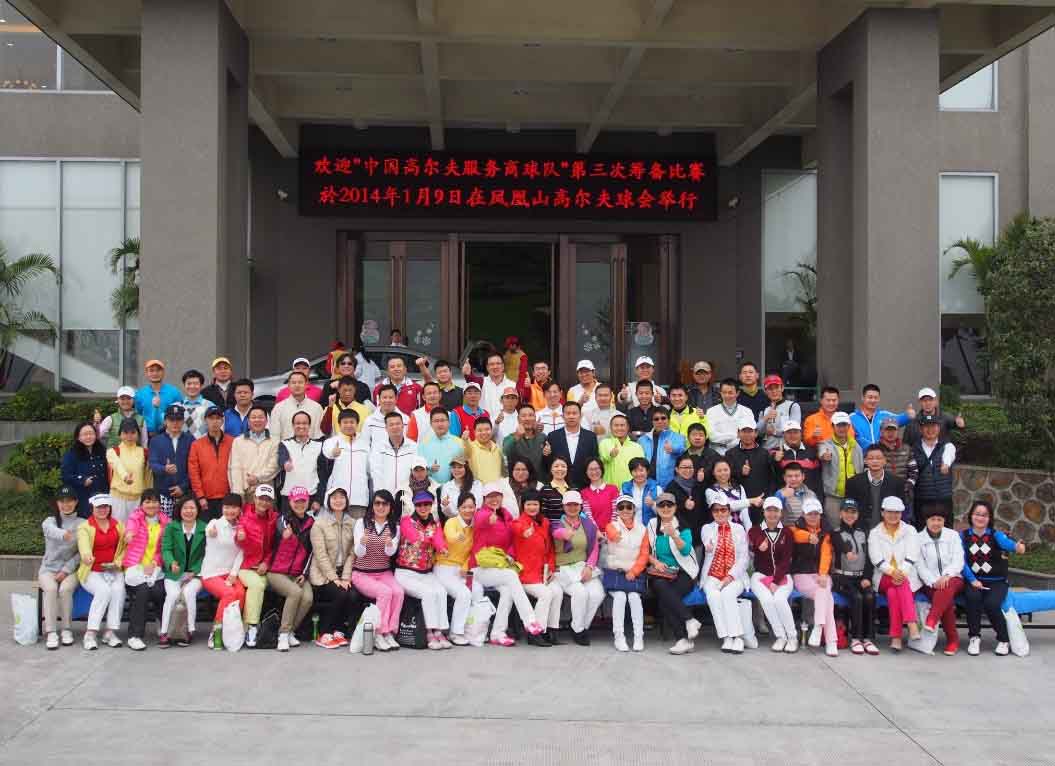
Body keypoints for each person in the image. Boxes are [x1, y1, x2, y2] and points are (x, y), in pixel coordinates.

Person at [470, 483, 545, 646]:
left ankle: (497, 633)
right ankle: (530, 621)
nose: (494, 499)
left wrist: (511, 554)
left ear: (502, 497)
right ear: (484, 499)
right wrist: (488, 519)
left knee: (508, 592)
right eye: (490, 497)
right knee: (511, 576)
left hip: (499, 568)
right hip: (480, 568)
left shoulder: (506, 514)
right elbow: (480, 521)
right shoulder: (481, 513)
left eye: (497, 496)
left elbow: (512, 538)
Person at [961, 499, 1025, 656]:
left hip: (997, 582)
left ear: (989, 518)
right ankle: (974, 637)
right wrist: (972, 580)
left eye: (984, 515)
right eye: (977, 514)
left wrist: (1018, 547)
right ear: (971, 515)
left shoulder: (997, 535)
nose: (980, 518)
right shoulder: (962, 536)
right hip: (973, 580)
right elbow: (960, 562)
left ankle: (1003, 640)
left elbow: (1011, 545)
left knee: (992, 604)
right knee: (972, 598)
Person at [394, 491, 455, 650]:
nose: (423, 507)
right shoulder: (406, 521)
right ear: (415, 506)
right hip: (406, 573)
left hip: (426, 573)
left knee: (441, 591)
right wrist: (433, 541)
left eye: (426, 504)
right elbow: (414, 537)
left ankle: (440, 631)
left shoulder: (435, 524)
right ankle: (429, 632)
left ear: (431, 505)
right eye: (419, 505)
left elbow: (439, 539)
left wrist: (442, 547)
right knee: (428, 593)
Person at [646, 492, 699, 655]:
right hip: (661, 572)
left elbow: (685, 551)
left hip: (683, 571)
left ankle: (682, 639)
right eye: (662, 505)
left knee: (665, 601)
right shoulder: (652, 524)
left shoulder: (682, 525)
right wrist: (655, 562)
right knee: (660, 585)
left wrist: (674, 535)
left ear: (675, 507)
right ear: (657, 508)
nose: (666, 508)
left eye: (669, 505)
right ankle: (689, 620)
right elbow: (645, 551)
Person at [351, 490, 404, 651]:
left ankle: (390, 632)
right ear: (372, 505)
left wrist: (389, 545)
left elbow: (390, 553)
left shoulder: (394, 527)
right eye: (377, 503)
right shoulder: (362, 523)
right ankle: (378, 632)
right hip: (362, 573)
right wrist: (362, 543)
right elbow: (359, 553)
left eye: (385, 504)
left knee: (398, 592)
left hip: (383, 572)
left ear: (390, 507)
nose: (381, 507)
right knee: (385, 592)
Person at [551, 490, 605, 645]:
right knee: (580, 593)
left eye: (575, 504)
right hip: (563, 568)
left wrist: (589, 566)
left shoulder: (588, 524)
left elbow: (594, 548)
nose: (572, 508)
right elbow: (556, 533)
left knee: (597, 594)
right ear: (563, 506)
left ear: (580, 506)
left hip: (582, 566)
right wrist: (565, 533)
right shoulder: (556, 523)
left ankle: (580, 626)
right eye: (569, 505)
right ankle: (579, 631)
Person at [868, 496, 922, 652]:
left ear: (901, 513)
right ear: (882, 513)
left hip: (906, 574)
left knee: (893, 593)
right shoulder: (875, 533)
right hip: (883, 576)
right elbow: (876, 559)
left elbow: (913, 554)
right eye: (889, 512)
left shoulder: (910, 530)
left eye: (897, 512)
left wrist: (901, 572)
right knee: (900, 584)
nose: (893, 515)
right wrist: (893, 572)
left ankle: (896, 637)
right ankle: (911, 623)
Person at [308, 487, 359, 649]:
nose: (338, 500)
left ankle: (339, 630)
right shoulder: (319, 524)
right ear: (328, 501)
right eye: (334, 497)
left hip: (343, 572)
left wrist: (345, 577)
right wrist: (334, 578)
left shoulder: (352, 523)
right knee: (340, 593)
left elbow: (352, 553)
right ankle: (324, 633)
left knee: (353, 594)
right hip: (323, 575)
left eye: (341, 497)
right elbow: (320, 555)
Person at [119, 489, 170, 650]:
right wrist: (129, 535)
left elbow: (164, 549)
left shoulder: (166, 522)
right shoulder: (135, 518)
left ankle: (163, 626)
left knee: (160, 590)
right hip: (135, 566)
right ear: (141, 504)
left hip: (155, 568)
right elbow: (131, 529)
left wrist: (154, 563)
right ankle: (134, 635)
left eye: (154, 501)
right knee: (142, 591)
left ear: (159, 504)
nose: (151, 505)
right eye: (147, 501)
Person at [266, 486, 315, 652]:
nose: (300, 504)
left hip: (297, 573)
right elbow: (282, 527)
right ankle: (283, 633)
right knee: (295, 592)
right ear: (290, 502)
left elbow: (311, 552)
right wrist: (285, 534)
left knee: (307, 598)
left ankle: (290, 631)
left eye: (303, 501)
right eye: (296, 501)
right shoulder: (283, 518)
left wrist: (304, 573)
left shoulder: (311, 523)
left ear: (308, 502)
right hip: (276, 572)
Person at [789, 497, 839, 657]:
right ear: (803, 514)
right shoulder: (796, 528)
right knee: (826, 597)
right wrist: (808, 536)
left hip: (820, 573)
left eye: (816, 513)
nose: (812, 516)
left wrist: (823, 574)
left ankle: (819, 627)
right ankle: (831, 640)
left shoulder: (826, 531)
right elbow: (793, 534)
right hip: (801, 573)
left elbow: (826, 554)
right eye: (809, 513)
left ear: (820, 514)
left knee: (824, 593)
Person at [512, 489, 562, 647]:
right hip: (525, 575)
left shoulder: (545, 522)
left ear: (540, 505)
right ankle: (534, 632)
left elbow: (550, 549)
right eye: (529, 504)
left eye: (535, 504)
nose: (532, 507)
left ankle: (550, 631)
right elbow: (518, 530)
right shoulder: (518, 523)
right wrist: (525, 532)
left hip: (543, 573)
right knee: (546, 594)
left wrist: (551, 568)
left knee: (557, 591)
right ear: (523, 505)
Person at [76, 494, 127, 650]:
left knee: (119, 591)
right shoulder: (85, 527)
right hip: (91, 571)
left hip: (113, 570)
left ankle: (110, 632)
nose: (102, 510)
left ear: (109, 508)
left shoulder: (118, 525)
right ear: (93, 508)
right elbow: (83, 545)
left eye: (105, 507)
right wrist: (86, 556)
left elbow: (125, 548)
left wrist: (117, 563)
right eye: (99, 507)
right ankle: (90, 633)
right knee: (104, 591)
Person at [700, 494, 750, 653]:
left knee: (727, 594)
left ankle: (738, 637)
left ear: (729, 511)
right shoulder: (707, 528)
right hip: (712, 575)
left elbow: (744, 558)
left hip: (735, 576)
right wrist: (709, 545)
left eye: (723, 510)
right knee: (713, 595)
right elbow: (707, 541)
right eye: (716, 510)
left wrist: (730, 576)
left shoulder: (739, 529)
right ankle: (726, 637)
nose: (720, 513)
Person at [748, 496, 798, 653]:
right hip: (760, 575)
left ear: (781, 513)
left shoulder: (787, 532)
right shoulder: (755, 530)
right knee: (767, 600)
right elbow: (753, 536)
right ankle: (780, 636)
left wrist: (776, 581)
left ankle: (792, 637)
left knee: (779, 600)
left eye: (775, 510)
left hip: (782, 576)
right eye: (769, 510)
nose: (772, 514)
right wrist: (759, 543)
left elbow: (786, 560)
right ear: (763, 512)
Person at [829, 498, 879, 655]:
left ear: (857, 515)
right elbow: (839, 543)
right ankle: (856, 638)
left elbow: (869, 558)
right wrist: (847, 551)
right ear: (840, 514)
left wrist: (867, 577)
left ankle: (868, 638)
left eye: (853, 512)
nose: (849, 515)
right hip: (842, 577)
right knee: (857, 597)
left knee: (869, 596)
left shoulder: (863, 533)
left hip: (860, 577)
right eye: (846, 512)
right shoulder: (836, 532)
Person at [39, 485, 84, 649]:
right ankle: (51, 631)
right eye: (62, 501)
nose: (66, 505)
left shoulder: (83, 524)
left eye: (70, 501)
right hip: (48, 569)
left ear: (76, 502)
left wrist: (66, 570)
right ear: (57, 503)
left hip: (71, 570)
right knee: (51, 589)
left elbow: (81, 553)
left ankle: (66, 629)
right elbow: (50, 530)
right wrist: (64, 534)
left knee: (65, 589)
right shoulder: (49, 521)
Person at [916, 502, 965, 656]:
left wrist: (947, 575)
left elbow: (959, 559)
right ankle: (953, 640)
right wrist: (933, 581)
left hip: (953, 578)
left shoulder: (953, 535)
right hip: (930, 582)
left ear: (944, 521)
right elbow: (920, 565)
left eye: (940, 519)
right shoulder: (918, 539)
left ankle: (932, 618)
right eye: (933, 519)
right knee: (946, 601)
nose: (936, 523)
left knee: (947, 588)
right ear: (926, 520)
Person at [200, 494, 247, 650]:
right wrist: (211, 532)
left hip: (229, 573)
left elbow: (242, 553)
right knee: (229, 593)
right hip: (211, 573)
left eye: (233, 507)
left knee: (240, 593)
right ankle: (216, 632)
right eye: (226, 507)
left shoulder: (241, 528)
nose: (229, 511)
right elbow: (209, 531)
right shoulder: (215, 523)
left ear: (239, 509)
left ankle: (231, 631)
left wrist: (233, 574)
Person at [603, 495, 649, 651]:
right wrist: (614, 534)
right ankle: (619, 637)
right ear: (617, 510)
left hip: (634, 573)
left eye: (629, 507)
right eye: (621, 507)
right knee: (620, 597)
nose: (625, 510)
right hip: (615, 572)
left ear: (634, 509)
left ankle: (638, 637)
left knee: (635, 598)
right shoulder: (612, 526)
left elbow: (644, 554)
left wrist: (634, 572)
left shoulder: (642, 529)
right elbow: (611, 533)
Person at [159, 495, 206, 648]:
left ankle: (189, 630)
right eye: (185, 508)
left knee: (188, 593)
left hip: (195, 574)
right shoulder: (171, 527)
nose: (188, 511)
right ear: (179, 510)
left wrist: (195, 571)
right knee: (172, 595)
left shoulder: (204, 528)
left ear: (197, 510)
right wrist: (171, 562)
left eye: (192, 508)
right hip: (174, 573)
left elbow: (207, 554)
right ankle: (164, 632)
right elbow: (166, 549)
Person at [236, 484, 279, 648]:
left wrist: (266, 562)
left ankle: (251, 625)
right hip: (244, 566)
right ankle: (251, 626)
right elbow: (240, 544)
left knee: (262, 583)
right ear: (254, 498)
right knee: (257, 584)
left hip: (264, 567)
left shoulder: (274, 518)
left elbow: (274, 546)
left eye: (267, 500)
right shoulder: (244, 516)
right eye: (261, 498)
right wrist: (241, 538)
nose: (264, 502)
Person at [433, 491, 477, 646]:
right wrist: (459, 536)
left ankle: (474, 630)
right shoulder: (452, 522)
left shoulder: (474, 527)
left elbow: (471, 553)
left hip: (460, 569)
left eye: (471, 507)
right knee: (463, 594)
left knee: (477, 591)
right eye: (464, 507)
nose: (468, 510)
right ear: (458, 508)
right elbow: (450, 536)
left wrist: (465, 567)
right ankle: (456, 633)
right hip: (444, 567)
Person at [318, 409, 370, 516]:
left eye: (352, 422)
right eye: (345, 422)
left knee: (357, 526)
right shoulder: (331, 441)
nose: (349, 425)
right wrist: (333, 452)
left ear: (357, 424)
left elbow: (370, 469)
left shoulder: (365, 443)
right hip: (337, 499)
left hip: (359, 499)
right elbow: (327, 452)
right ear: (339, 424)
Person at [187, 406, 233, 520]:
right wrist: (200, 496)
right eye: (211, 418)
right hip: (206, 498)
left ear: (222, 421)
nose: (214, 422)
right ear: (205, 420)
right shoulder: (197, 445)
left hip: (227, 496)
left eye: (218, 418)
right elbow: (194, 473)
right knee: (207, 529)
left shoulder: (232, 442)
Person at [845, 444, 907, 528]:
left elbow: (902, 509)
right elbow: (849, 510)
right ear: (865, 461)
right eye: (871, 458)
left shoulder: (897, 482)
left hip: (888, 529)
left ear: (885, 461)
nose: (875, 461)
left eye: (878, 458)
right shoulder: (853, 482)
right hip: (861, 529)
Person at [911, 413, 956, 527]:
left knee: (946, 531)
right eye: (926, 426)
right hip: (922, 499)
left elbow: (949, 456)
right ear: (921, 429)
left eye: (933, 426)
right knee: (921, 530)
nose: (930, 430)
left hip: (943, 498)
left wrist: (945, 464)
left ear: (939, 428)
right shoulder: (914, 449)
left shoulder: (947, 446)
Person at [819, 411, 862, 528]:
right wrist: (824, 456)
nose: (842, 428)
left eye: (844, 425)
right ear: (833, 426)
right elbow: (822, 452)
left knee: (853, 527)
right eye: (839, 425)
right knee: (834, 529)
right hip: (833, 497)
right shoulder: (825, 444)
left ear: (849, 426)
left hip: (853, 496)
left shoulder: (856, 446)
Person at [228, 405, 279, 501]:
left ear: (266, 421)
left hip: (266, 492)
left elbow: (274, 466)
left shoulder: (275, 441)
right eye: (253, 417)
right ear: (248, 421)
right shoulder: (238, 441)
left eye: (260, 417)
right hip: (245, 492)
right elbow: (234, 468)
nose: (257, 420)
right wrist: (238, 493)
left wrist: (257, 478)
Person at [106, 417, 153, 523]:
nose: (129, 436)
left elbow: (148, 477)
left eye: (133, 432)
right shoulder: (113, 451)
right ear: (120, 434)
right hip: (118, 499)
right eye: (125, 433)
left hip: (138, 499)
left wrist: (149, 497)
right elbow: (117, 465)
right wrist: (125, 477)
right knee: (118, 528)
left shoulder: (144, 452)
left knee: (137, 529)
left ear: (138, 434)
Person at [148, 405, 194, 512]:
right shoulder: (156, 440)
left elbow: (194, 467)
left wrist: (183, 487)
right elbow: (152, 463)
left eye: (178, 420)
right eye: (171, 420)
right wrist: (164, 468)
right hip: (163, 493)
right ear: (165, 421)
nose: (175, 423)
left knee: (185, 521)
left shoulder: (190, 440)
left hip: (185, 493)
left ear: (183, 421)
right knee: (163, 522)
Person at [726, 423, 775, 523]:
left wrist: (767, 498)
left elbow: (772, 478)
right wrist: (741, 473)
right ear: (738, 433)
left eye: (750, 431)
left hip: (761, 502)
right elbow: (726, 479)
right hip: (739, 504)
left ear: (756, 433)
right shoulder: (730, 454)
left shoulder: (765, 453)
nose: (747, 434)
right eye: (744, 431)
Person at [276, 411, 324, 512]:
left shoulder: (319, 445)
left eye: (304, 423)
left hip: (311, 497)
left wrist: (318, 500)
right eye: (297, 423)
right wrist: (285, 463)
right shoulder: (285, 444)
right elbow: (282, 458)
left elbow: (323, 475)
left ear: (309, 425)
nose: (301, 426)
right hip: (289, 497)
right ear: (293, 425)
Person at [545, 401, 600, 488]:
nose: (571, 416)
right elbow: (549, 462)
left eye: (574, 413)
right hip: (560, 485)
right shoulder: (553, 436)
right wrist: (546, 454)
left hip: (585, 485)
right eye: (568, 413)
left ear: (580, 416)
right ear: (562, 416)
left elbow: (595, 460)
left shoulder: (591, 436)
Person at [61, 421, 109, 518]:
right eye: (84, 434)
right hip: (83, 497)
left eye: (91, 433)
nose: (88, 437)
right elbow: (66, 476)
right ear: (78, 437)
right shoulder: (71, 454)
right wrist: (82, 480)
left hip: (102, 495)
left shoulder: (102, 451)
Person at [849, 384, 915, 451]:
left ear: (879, 399)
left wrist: (908, 415)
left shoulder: (885, 415)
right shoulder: (852, 418)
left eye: (876, 398)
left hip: (882, 456)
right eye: (870, 397)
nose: (873, 400)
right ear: (863, 398)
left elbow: (900, 419)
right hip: (861, 457)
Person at [638, 407, 686, 489]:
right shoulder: (642, 440)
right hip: (646, 484)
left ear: (669, 420)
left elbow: (682, 451)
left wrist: (673, 449)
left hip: (669, 485)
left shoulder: (678, 438)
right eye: (656, 419)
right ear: (652, 421)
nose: (660, 421)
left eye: (663, 418)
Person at [771, 421, 822, 498]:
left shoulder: (812, 452)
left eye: (795, 432)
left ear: (801, 434)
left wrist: (819, 498)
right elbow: (771, 476)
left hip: (808, 498)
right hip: (784, 498)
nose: (792, 435)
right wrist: (774, 460)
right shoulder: (774, 452)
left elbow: (818, 479)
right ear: (783, 435)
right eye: (789, 433)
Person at [705, 378, 756, 455]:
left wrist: (728, 440)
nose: (727, 395)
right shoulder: (711, 411)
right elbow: (712, 436)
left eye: (730, 393)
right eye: (724, 392)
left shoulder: (746, 411)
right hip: (717, 453)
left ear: (737, 393)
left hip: (740, 453)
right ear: (720, 393)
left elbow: (749, 436)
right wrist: (733, 435)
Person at [270, 371, 324, 442]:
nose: (297, 385)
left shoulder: (317, 408)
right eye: (293, 383)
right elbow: (274, 436)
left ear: (306, 385)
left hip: (311, 448)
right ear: (288, 385)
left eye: (300, 382)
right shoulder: (278, 408)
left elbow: (318, 435)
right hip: (285, 448)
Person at [417, 407, 466, 486]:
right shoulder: (423, 444)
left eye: (443, 420)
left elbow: (465, 468)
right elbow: (418, 470)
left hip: (454, 488)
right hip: (430, 488)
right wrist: (429, 469)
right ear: (431, 424)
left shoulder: (459, 443)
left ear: (449, 422)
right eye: (436, 421)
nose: (440, 424)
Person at [709, 457, 761, 529]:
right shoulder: (710, 491)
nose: (723, 473)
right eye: (719, 471)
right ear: (713, 473)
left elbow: (745, 513)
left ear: (730, 470)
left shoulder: (739, 488)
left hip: (740, 531)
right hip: (722, 531)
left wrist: (749, 531)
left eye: (725, 470)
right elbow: (727, 506)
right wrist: (751, 501)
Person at [135, 359, 182, 436]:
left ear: (163, 372)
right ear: (146, 373)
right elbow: (138, 415)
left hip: (169, 434)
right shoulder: (140, 394)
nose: (155, 373)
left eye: (158, 370)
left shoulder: (174, 392)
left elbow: (180, 414)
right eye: (151, 370)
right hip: (147, 435)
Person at [666, 454, 706, 547]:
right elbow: (666, 509)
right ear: (677, 469)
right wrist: (683, 504)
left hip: (699, 535)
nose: (688, 470)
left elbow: (704, 506)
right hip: (680, 534)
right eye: (684, 467)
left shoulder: (698, 484)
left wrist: (701, 483)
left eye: (690, 467)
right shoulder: (671, 487)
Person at [463, 352, 517, 418]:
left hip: (507, 423)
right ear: (487, 367)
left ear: (503, 366)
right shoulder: (481, 382)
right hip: (484, 422)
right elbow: (471, 381)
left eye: (498, 363)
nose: (495, 367)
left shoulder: (513, 385)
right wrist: (467, 374)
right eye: (491, 364)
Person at [877, 417, 918, 501]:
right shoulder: (874, 449)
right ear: (881, 431)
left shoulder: (907, 449)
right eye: (887, 430)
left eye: (893, 430)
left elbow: (914, 472)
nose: (890, 433)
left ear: (898, 431)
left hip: (904, 495)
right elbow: (868, 471)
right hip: (882, 495)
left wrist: (906, 487)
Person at [503, 403, 547, 481]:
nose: (527, 418)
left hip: (540, 483)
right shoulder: (510, 438)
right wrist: (517, 436)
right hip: (518, 483)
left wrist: (548, 452)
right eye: (523, 416)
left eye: (531, 415)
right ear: (518, 419)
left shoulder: (542, 437)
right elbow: (506, 451)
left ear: (535, 418)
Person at [599, 414, 645, 487]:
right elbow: (605, 457)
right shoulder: (604, 443)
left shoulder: (637, 446)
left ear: (628, 427)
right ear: (610, 428)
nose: (619, 428)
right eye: (616, 425)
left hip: (631, 489)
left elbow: (642, 468)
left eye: (622, 425)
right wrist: (611, 454)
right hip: (610, 489)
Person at [757, 375, 801, 450]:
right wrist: (766, 418)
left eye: (777, 387)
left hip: (786, 449)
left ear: (782, 388)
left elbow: (794, 431)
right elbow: (756, 432)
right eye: (770, 389)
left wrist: (774, 432)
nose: (774, 391)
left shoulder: (793, 406)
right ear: (766, 391)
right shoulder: (764, 409)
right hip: (767, 450)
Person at [362, 384, 409, 451]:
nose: (387, 400)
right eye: (384, 397)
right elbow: (364, 445)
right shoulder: (370, 421)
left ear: (396, 399)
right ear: (379, 399)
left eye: (391, 397)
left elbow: (409, 444)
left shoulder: (406, 420)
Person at [775, 461, 817, 527]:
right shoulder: (780, 493)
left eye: (797, 476)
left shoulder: (811, 494)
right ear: (784, 478)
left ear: (803, 476)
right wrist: (782, 497)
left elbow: (816, 516)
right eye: (789, 476)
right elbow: (774, 515)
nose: (793, 479)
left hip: (808, 530)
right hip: (788, 530)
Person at [581, 457, 619, 530]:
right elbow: (588, 515)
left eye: (596, 468)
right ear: (586, 472)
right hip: (593, 533)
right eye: (590, 469)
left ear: (602, 469)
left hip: (613, 532)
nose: (594, 472)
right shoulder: (584, 493)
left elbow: (616, 512)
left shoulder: (613, 489)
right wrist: (597, 532)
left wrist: (610, 530)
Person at [463, 416, 504, 484]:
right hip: (480, 489)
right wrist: (465, 440)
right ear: (474, 432)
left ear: (491, 430)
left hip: (498, 488)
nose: (484, 433)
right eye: (480, 430)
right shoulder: (471, 447)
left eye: (487, 429)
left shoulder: (497, 447)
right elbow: (466, 448)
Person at [621, 457, 660, 526]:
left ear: (647, 471)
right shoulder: (625, 488)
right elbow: (619, 511)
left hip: (651, 528)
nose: (638, 474)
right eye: (635, 471)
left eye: (641, 470)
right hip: (630, 528)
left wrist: (653, 504)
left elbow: (664, 513)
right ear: (631, 472)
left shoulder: (656, 488)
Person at [540, 457, 574, 523]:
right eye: (556, 466)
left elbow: (580, 511)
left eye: (563, 466)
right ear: (551, 469)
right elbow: (543, 514)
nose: (560, 469)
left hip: (573, 527)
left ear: (567, 469)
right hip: (552, 528)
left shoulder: (574, 489)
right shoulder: (545, 490)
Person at [179, 369, 210, 439]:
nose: (192, 386)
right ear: (184, 385)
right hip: (181, 445)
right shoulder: (176, 406)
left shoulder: (209, 406)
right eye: (189, 384)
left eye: (196, 384)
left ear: (201, 386)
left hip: (202, 445)